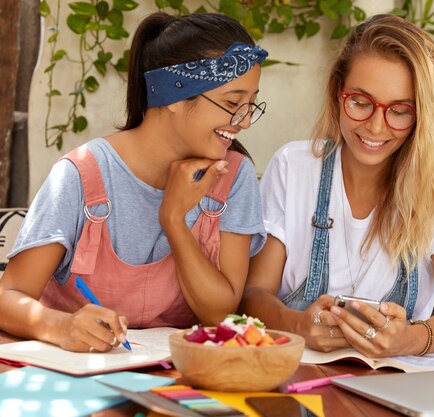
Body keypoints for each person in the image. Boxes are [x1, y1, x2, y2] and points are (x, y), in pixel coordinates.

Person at [0, 12, 268, 353]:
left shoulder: (233, 176)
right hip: (76, 372)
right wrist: (62, 325)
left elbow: (219, 313)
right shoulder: (81, 173)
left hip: (176, 381)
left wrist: (174, 220)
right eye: (232, 103)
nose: (243, 122)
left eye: (250, 104)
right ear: (174, 95)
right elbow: (9, 297)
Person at [240, 14, 434, 358]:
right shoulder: (293, 167)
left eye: (399, 110)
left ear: (422, 116)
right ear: (338, 94)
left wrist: (407, 340)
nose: (376, 126)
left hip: (395, 382)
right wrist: (298, 326)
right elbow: (253, 294)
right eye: (361, 102)